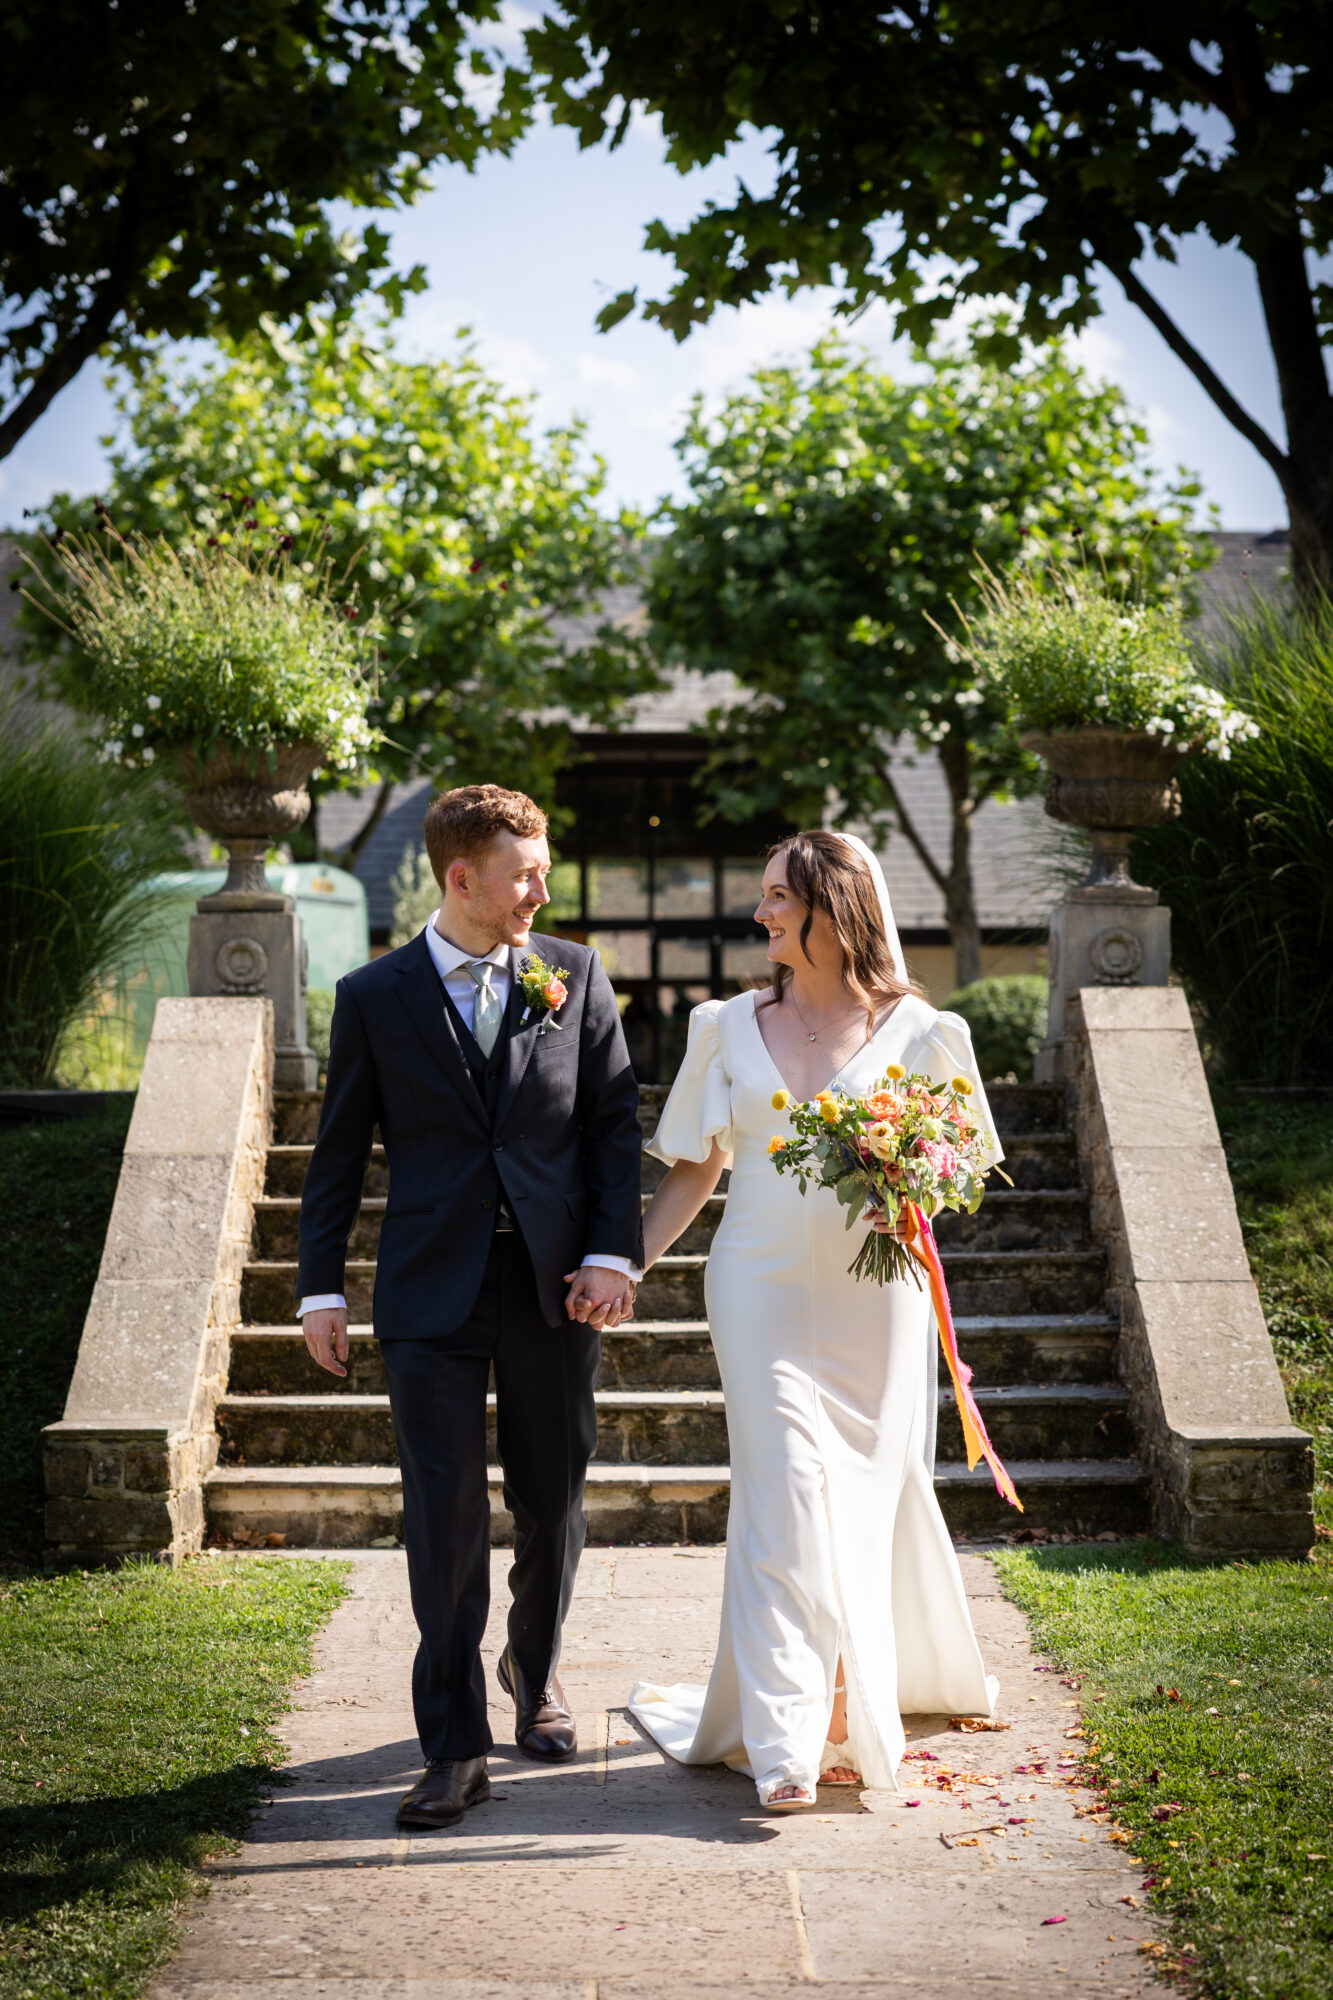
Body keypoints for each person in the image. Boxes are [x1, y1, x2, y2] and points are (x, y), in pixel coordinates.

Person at [628, 830, 1000, 1811]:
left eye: (777, 896)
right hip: (755, 1284)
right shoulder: (724, 1025)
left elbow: (963, 1171)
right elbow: (695, 1166)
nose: (761, 914)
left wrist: (911, 1174)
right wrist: (624, 1261)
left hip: (876, 1295)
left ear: (832, 908)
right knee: (786, 1488)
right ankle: (786, 1739)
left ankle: (842, 1706)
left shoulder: (923, 1031)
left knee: (856, 1504)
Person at [297, 784, 643, 1829]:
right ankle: (452, 1746)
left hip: (550, 1289)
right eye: (523, 873)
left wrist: (608, 1252)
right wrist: (320, 1285)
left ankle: (531, 1673)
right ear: (462, 879)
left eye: (542, 869)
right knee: (442, 1524)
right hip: (427, 1292)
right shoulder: (375, 994)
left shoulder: (573, 976)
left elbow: (612, 1126)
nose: (541, 889)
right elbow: (337, 1153)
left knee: (552, 1500)